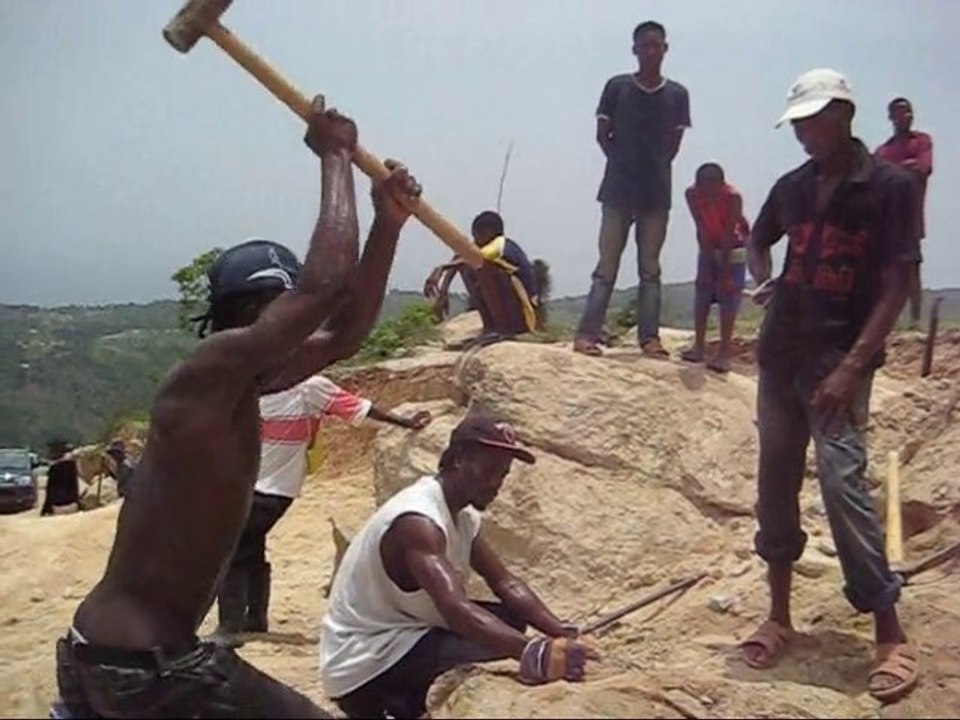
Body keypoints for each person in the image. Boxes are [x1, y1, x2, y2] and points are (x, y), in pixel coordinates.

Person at [50, 100, 423, 719]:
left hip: (107, 659)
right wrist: (335, 157)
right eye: (283, 318)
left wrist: (388, 224)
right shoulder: (205, 377)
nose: (303, 338)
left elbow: (345, 333)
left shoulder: (242, 383)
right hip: (147, 669)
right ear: (252, 318)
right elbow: (323, 290)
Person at [742, 69, 920, 703]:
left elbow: (898, 282)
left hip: (838, 357)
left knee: (842, 482)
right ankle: (779, 616)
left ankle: (889, 632)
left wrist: (853, 364)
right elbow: (758, 240)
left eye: (815, 121)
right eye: (798, 125)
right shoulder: (792, 188)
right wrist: (760, 270)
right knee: (775, 481)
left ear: (845, 113)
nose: (805, 135)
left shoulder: (890, 187)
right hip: (781, 351)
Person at [321, 414, 597, 719]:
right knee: (493, 638)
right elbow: (455, 609)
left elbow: (506, 583)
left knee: (508, 621)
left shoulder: (462, 517)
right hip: (363, 662)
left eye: (503, 475)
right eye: (489, 470)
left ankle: (412, 699)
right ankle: (399, 703)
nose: (495, 484)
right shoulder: (419, 521)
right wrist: (533, 652)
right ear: (456, 460)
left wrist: (560, 633)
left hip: (403, 634)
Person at [214, 373, 433, 638]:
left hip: (273, 488)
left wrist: (405, 423)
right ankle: (254, 619)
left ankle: (230, 626)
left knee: (235, 548)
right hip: (255, 485)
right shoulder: (254, 391)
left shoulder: (308, 389)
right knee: (250, 545)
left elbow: (359, 409)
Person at [574, 20, 691, 358]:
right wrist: (624, 163)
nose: (651, 51)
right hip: (617, 190)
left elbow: (674, 143)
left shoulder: (677, 94)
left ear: (665, 49)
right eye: (645, 45)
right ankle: (586, 335)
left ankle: (649, 339)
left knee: (650, 269)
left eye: (657, 45)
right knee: (606, 266)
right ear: (635, 50)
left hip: (656, 192)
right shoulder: (617, 87)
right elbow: (602, 134)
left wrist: (649, 167)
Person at [423, 211, 549, 344]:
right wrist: (443, 292)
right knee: (467, 268)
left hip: (523, 316)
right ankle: (489, 327)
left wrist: (442, 268)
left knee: (485, 268)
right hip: (511, 312)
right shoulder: (488, 246)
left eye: (477, 236)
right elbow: (459, 258)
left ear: (489, 231)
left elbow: (477, 258)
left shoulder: (501, 245)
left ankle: (503, 329)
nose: (475, 240)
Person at [680, 163, 750, 373]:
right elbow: (700, 227)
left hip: (734, 249)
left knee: (727, 298)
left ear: (721, 185)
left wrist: (725, 273)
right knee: (702, 292)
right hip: (709, 245)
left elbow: (730, 232)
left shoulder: (732, 197)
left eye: (712, 190)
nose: (708, 196)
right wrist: (707, 264)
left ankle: (724, 353)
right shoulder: (692, 194)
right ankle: (698, 347)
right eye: (703, 189)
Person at [875, 97, 933, 329]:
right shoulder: (883, 149)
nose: (906, 116)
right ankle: (884, 321)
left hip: (910, 214)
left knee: (911, 268)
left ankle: (915, 320)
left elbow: (922, 168)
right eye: (901, 113)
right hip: (884, 217)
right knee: (883, 271)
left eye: (909, 112)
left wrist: (893, 172)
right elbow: (875, 178)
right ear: (891, 117)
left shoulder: (922, 141)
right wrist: (902, 170)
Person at [41, 440, 80, 516]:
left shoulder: (54, 469)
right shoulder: (72, 467)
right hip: (72, 504)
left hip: (58, 505)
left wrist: (45, 509)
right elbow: (75, 486)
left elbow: (50, 491)